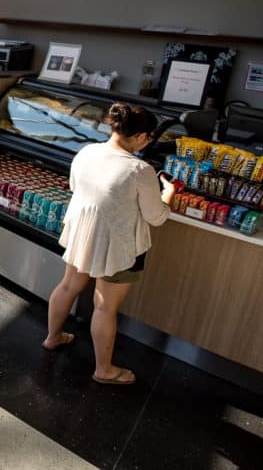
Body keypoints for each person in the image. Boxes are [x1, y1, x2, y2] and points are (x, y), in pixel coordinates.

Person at [43, 103, 176, 385]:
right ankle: (104, 370)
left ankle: (53, 337)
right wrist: (169, 193)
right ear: (141, 137)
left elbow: (74, 186)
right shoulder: (140, 170)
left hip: (84, 233)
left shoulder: (87, 151)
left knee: (68, 286)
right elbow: (156, 217)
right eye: (150, 137)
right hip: (120, 244)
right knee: (104, 306)